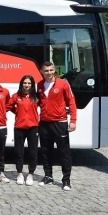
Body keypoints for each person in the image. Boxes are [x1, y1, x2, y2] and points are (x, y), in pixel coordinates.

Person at [37, 62, 77, 191]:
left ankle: (66, 180)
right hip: (44, 123)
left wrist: (73, 120)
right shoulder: (39, 85)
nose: (49, 73)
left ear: (54, 70)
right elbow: (36, 102)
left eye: (51, 70)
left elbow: (71, 102)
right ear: (41, 71)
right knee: (45, 151)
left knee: (64, 152)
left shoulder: (63, 84)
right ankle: (48, 176)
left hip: (60, 122)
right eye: (46, 70)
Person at [8, 75, 39, 186]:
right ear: (21, 84)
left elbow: (46, 106)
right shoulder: (16, 96)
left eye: (29, 83)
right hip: (19, 127)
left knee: (33, 152)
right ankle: (20, 173)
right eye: (25, 83)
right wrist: (16, 112)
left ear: (32, 85)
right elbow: (8, 106)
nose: (27, 85)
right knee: (19, 152)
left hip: (33, 127)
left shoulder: (36, 97)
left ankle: (31, 174)